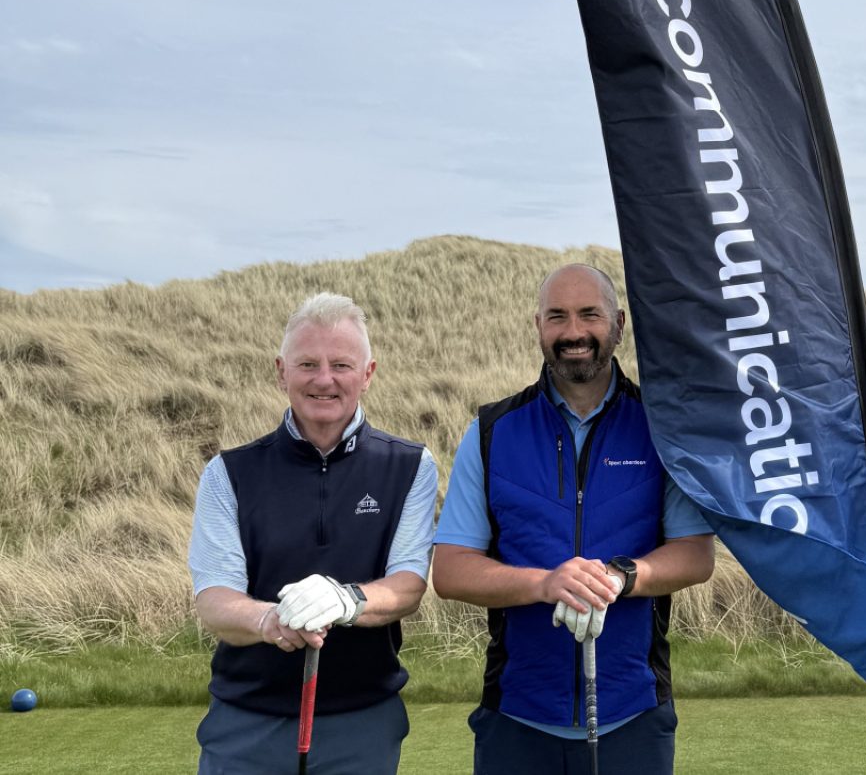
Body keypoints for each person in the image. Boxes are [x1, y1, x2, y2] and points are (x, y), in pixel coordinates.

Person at [433, 263, 715, 774]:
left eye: (590, 315)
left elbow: (695, 555)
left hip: (634, 715)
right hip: (517, 718)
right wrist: (547, 584)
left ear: (619, 324)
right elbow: (451, 570)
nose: (574, 332)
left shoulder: (662, 427)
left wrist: (616, 577)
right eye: (557, 317)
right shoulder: (491, 432)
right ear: (538, 326)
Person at [187, 292, 438, 774]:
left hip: (361, 718)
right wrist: (270, 621)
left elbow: (408, 585)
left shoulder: (409, 466)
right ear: (282, 371)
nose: (324, 379)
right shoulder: (229, 472)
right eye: (307, 364)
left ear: (368, 374)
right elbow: (214, 598)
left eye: (341, 364)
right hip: (247, 719)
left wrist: (346, 600)